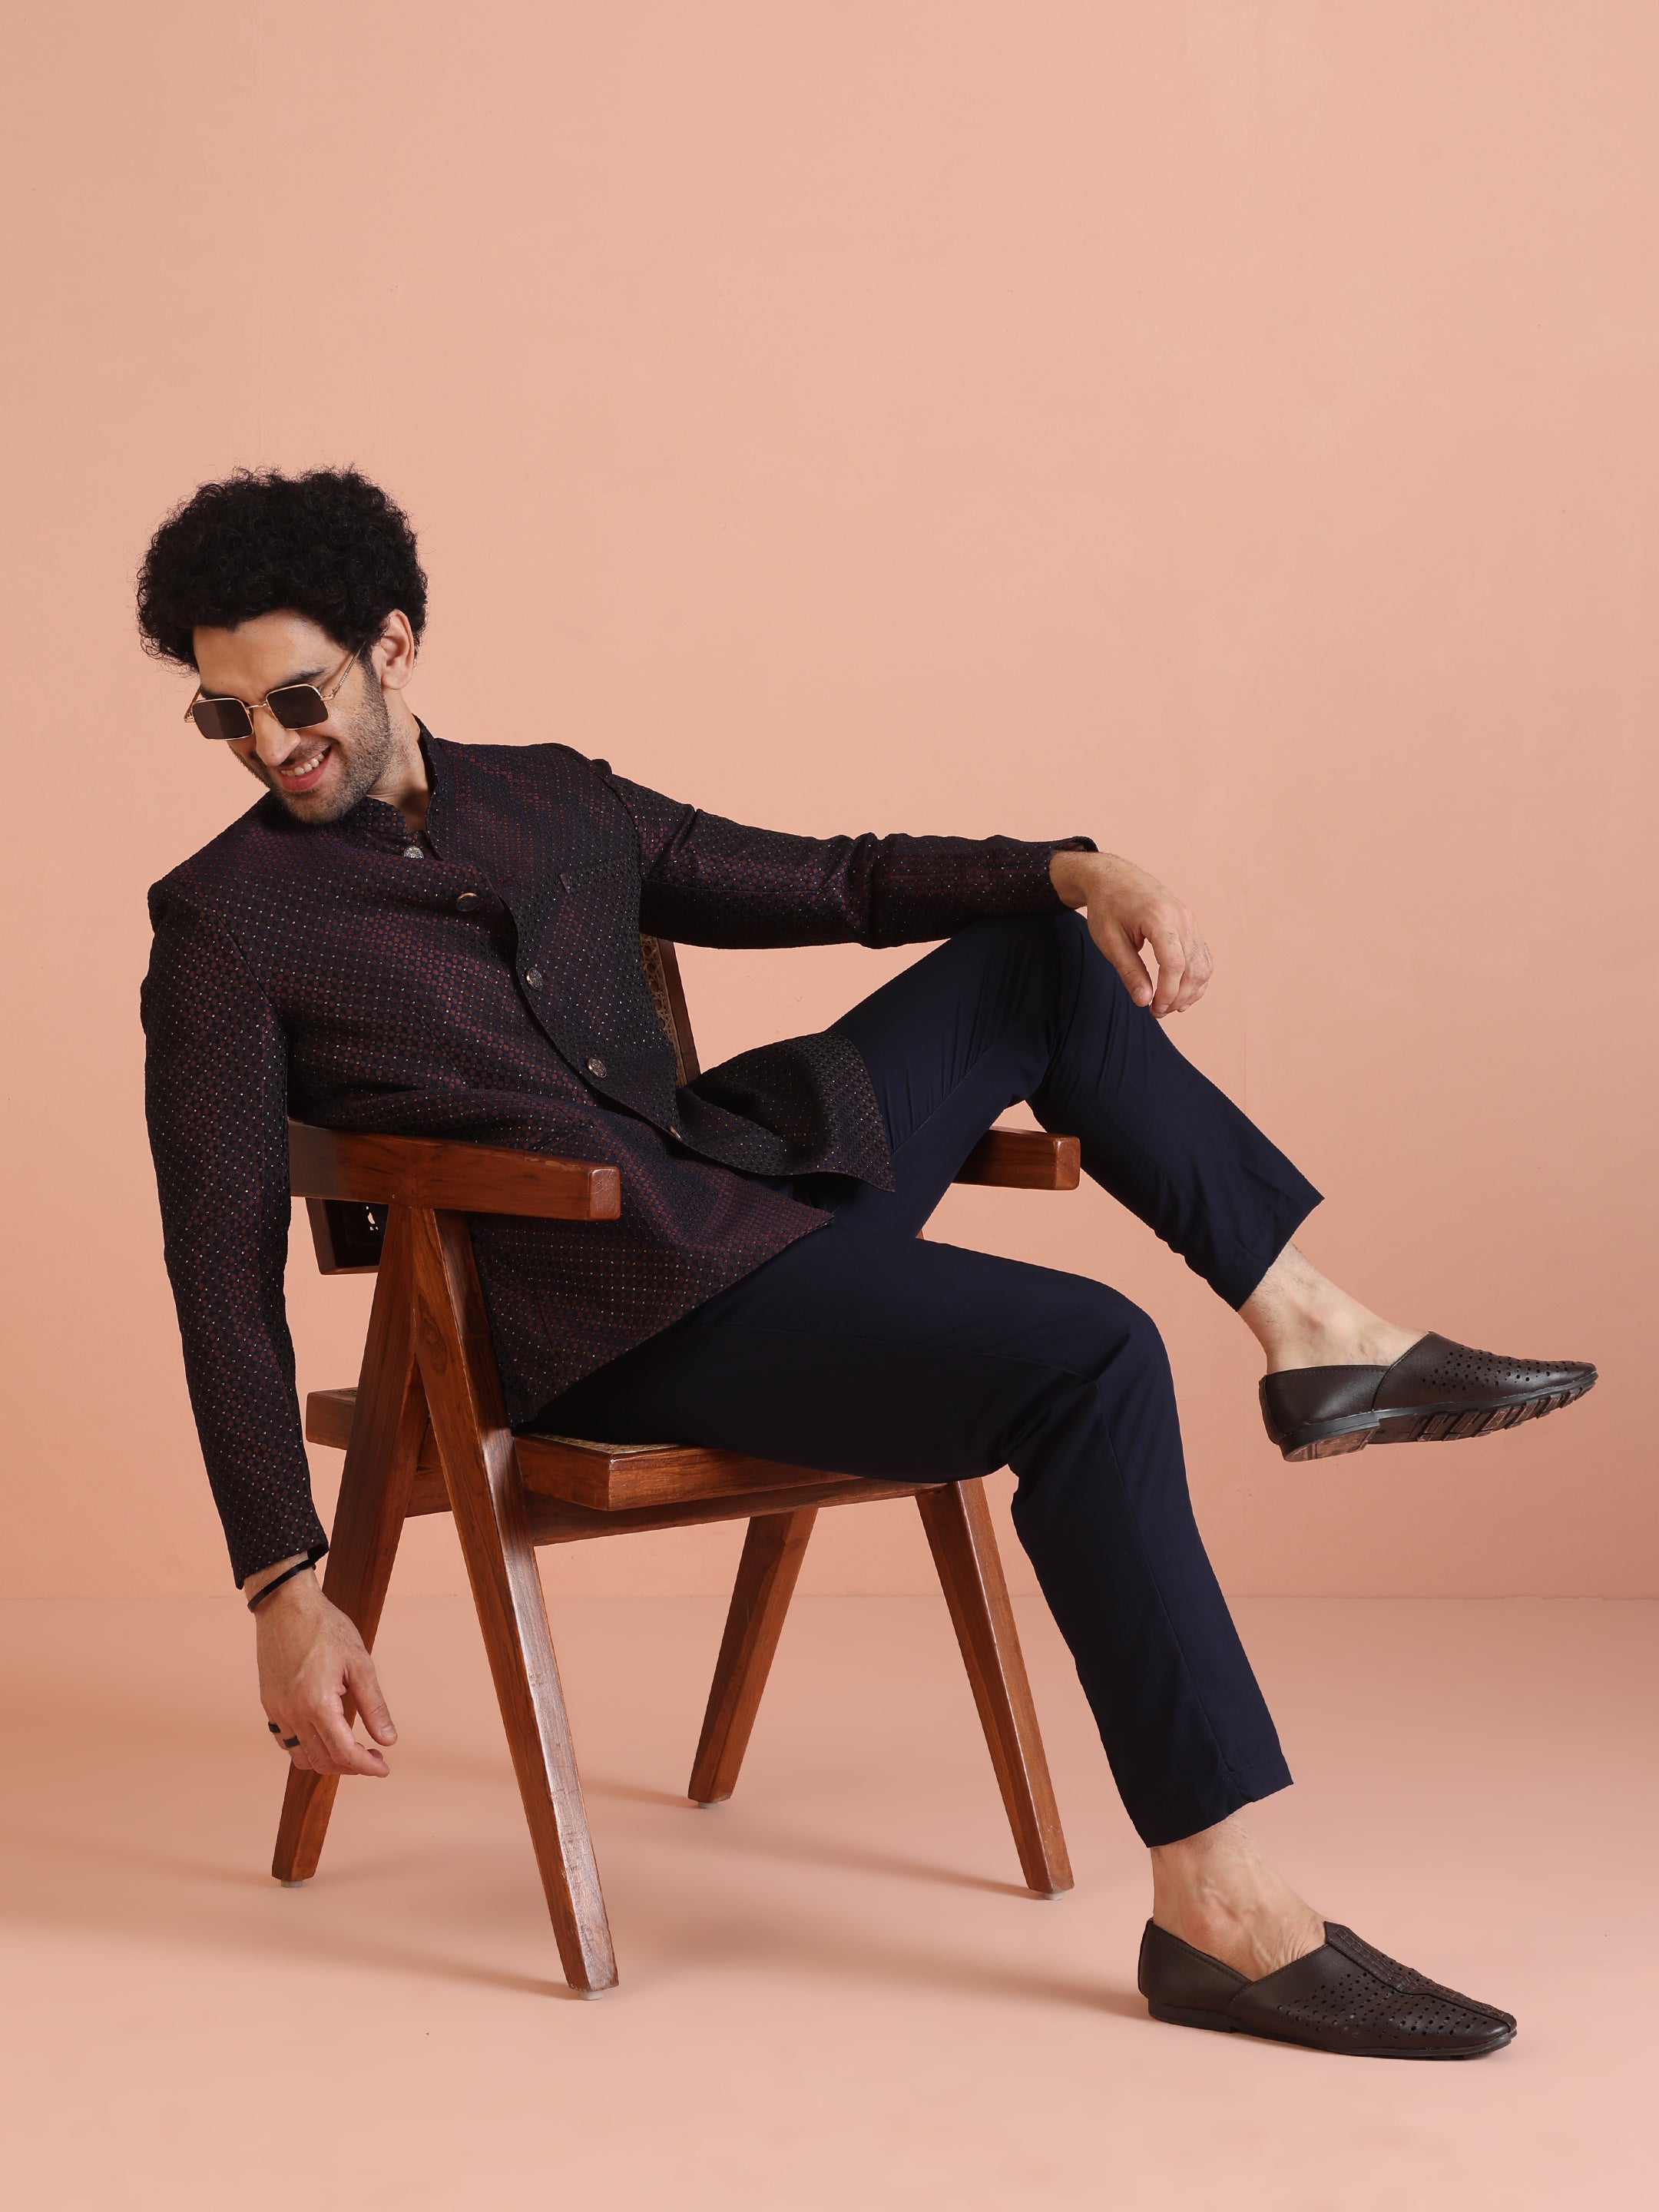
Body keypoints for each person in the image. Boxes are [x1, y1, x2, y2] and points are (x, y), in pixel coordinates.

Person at [137, 467, 1594, 2059]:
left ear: (395, 646)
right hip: (620, 1314)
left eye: (297, 696)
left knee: (1033, 952)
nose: (270, 744)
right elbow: (217, 1259)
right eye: (225, 716)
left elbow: (833, 882)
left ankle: (1317, 1329)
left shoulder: (554, 798)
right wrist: (283, 1585)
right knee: (1093, 1355)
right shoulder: (226, 923)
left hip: (751, 1183)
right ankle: (1222, 1911)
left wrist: (1080, 867)